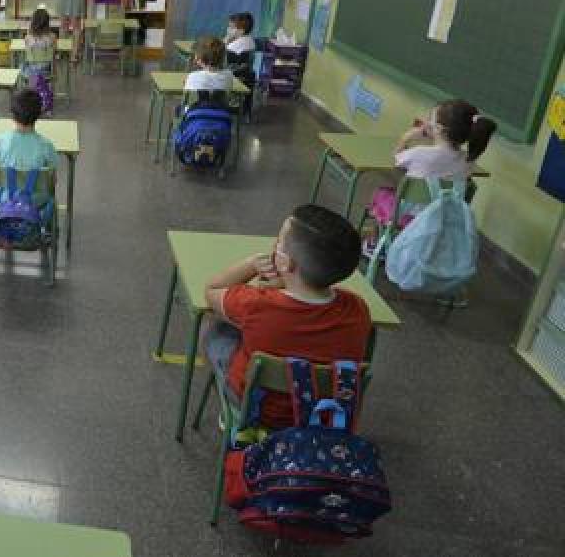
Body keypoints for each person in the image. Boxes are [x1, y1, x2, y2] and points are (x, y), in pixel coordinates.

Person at [203, 204, 371, 428]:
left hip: (257, 410)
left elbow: (211, 291)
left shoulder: (256, 303)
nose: (275, 243)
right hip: (321, 415)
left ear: (286, 262)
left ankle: (233, 415)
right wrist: (285, 284)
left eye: (279, 240)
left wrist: (252, 264)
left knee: (215, 330)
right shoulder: (358, 309)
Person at [365, 99, 497, 249]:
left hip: (408, 215)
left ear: (439, 129)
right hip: (442, 218)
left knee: (381, 193)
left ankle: (378, 243)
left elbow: (396, 160)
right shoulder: (468, 161)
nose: (427, 122)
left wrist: (406, 138)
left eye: (430, 119)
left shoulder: (418, 154)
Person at [0, 88, 59, 177]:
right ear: (39, 115)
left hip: (8, 190)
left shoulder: (1, 141)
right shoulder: (47, 145)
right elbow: (52, 179)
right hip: (37, 190)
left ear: (12, 116)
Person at [21, 8, 56, 115]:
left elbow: (27, 57)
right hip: (46, 71)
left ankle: (33, 93)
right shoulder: (52, 37)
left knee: (24, 65)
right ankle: (45, 97)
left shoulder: (28, 37)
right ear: (47, 23)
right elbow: (53, 56)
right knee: (42, 69)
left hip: (30, 72)